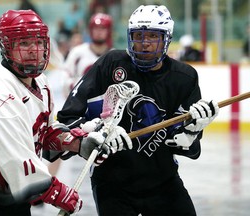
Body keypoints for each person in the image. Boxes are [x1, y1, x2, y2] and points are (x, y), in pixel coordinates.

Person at [0, 9, 130, 216]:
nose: (34, 49)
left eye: (39, 42)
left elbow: (45, 133)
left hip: (11, 196)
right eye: (24, 43)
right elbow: (15, 159)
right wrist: (56, 192)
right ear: (6, 46)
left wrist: (78, 142)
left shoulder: (41, 83)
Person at [58, 5, 219, 216]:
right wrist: (98, 131)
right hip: (112, 183)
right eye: (139, 36)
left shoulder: (184, 77)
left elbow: (185, 147)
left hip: (162, 181)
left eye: (153, 36)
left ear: (167, 39)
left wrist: (192, 130)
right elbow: (68, 118)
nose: (145, 43)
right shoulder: (111, 64)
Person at [63, 12, 113, 92]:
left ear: (109, 31)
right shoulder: (77, 52)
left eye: (102, 28)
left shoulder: (114, 56)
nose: (99, 32)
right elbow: (65, 77)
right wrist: (76, 87)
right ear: (90, 30)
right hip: (80, 102)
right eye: (95, 28)